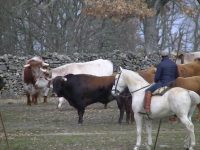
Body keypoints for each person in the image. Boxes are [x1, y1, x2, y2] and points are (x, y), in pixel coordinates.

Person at [144, 49, 179, 114]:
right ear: (168, 56)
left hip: (163, 83)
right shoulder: (174, 64)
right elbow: (177, 75)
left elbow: (157, 78)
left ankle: (147, 109)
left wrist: (156, 81)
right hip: (173, 84)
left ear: (162, 56)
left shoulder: (161, 64)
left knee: (147, 90)